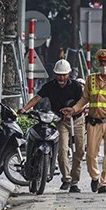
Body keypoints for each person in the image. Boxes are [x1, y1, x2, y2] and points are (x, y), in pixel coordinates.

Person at [63, 49, 106, 194]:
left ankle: (104, 183)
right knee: (91, 154)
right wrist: (73, 109)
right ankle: (95, 177)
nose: (104, 65)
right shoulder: (90, 79)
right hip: (93, 122)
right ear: (98, 64)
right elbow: (84, 99)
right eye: (102, 63)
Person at [19, 59, 85, 192]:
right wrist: (24, 109)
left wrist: (72, 111)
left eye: (64, 74)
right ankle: (66, 178)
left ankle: (74, 182)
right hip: (60, 121)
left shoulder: (76, 87)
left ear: (69, 74)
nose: (61, 77)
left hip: (77, 120)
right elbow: (36, 98)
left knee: (79, 151)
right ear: (55, 74)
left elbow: (83, 103)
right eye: (59, 74)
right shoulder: (50, 86)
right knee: (62, 150)